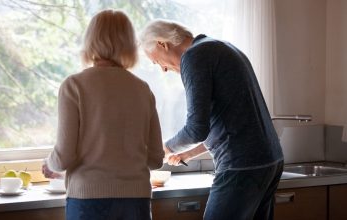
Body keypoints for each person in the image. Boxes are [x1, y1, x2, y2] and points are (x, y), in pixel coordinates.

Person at [140, 20, 284, 220]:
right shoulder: (220, 47)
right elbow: (231, 123)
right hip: (269, 161)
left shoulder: (193, 57)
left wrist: (162, 149)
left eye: (156, 61)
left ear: (162, 44)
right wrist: (189, 153)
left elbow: (196, 128)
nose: (162, 69)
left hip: (242, 166)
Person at [42, 10, 165, 220]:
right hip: (136, 201)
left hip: (88, 201)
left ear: (90, 40)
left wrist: (50, 164)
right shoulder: (142, 89)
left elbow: (63, 157)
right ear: (128, 43)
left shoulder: (74, 86)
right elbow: (155, 160)